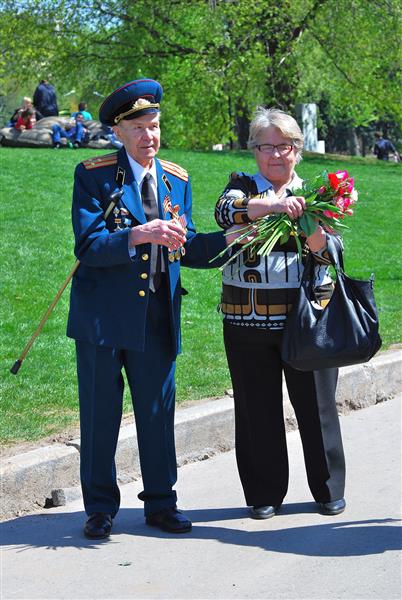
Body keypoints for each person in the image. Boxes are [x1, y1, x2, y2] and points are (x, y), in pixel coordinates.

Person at [66, 78, 226, 539]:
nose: (148, 136)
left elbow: (188, 246)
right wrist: (138, 234)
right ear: (119, 131)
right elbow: (89, 245)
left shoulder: (176, 180)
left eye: (154, 126)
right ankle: (99, 508)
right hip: (103, 317)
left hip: (157, 315)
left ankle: (161, 503)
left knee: (157, 413)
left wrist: (238, 238)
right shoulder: (94, 175)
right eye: (138, 127)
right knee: (99, 417)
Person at [214, 106, 346, 520]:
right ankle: (264, 493)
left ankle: (328, 489)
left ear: (297, 150)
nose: (275, 155)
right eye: (266, 146)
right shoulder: (240, 188)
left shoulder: (320, 194)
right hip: (247, 319)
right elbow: (226, 214)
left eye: (284, 146)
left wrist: (312, 230)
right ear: (254, 151)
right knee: (257, 409)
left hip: (308, 320)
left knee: (317, 407)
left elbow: (335, 253)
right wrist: (274, 208)